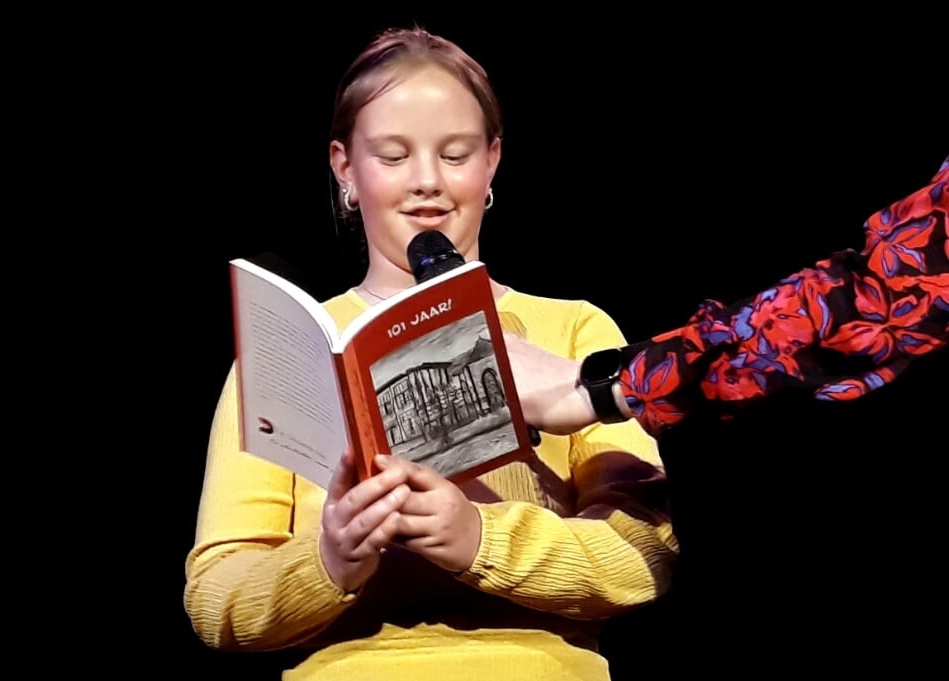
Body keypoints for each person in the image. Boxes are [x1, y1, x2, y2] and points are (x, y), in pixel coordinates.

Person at [183, 26, 678, 680]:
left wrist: (478, 538)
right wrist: (331, 558)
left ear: (492, 161)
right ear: (344, 168)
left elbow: (647, 552)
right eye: (391, 156)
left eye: (455, 154)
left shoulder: (572, 331)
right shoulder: (285, 352)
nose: (426, 183)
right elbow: (218, 593)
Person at [505, 155, 948, 439]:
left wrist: (602, 387)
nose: (431, 181)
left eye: (455, 155)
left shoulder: (578, 324)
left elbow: (890, 297)